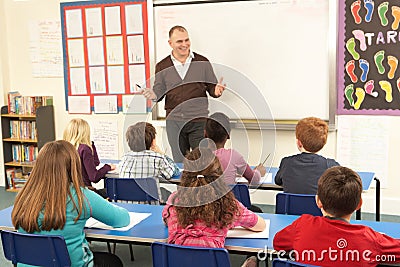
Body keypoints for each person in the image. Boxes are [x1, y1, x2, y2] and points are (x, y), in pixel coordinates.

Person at [12, 140, 130, 267]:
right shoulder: (81, 196)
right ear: (73, 166)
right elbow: (122, 220)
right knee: (113, 262)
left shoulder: (24, 195)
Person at [273, 166, 400, 267]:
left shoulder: (302, 225)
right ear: (359, 204)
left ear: (318, 201)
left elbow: (278, 243)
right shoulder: (370, 238)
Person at [162, 147, 266, 267]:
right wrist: (229, 222)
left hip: (177, 262)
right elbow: (260, 225)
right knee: (252, 261)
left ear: (186, 174)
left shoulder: (174, 200)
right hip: (211, 258)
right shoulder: (228, 204)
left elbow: (166, 219)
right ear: (218, 175)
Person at [142, 25, 226, 163]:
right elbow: (159, 92)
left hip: (198, 121)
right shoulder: (162, 66)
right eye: (179, 41)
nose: (184, 44)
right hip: (174, 123)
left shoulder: (202, 62)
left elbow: (212, 88)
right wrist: (153, 95)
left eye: (187, 40)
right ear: (170, 43)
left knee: (203, 162)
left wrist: (216, 91)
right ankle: (183, 186)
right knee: (179, 163)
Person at [274, 117, 339, 194]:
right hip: (318, 206)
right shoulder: (331, 166)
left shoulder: (287, 162)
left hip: (292, 206)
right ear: (323, 143)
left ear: (299, 143)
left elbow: (277, 181)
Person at [119, 122, 180, 203]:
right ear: (152, 141)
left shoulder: (124, 159)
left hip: (126, 204)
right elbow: (174, 172)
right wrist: (162, 153)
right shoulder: (157, 158)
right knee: (172, 195)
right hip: (149, 203)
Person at [205, 112, 266, 185]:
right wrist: (258, 172)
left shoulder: (197, 158)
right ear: (228, 135)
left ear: (205, 134)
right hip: (228, 196)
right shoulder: (233, 156)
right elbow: (254, 180)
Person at [63, 118, 115, 198]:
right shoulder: (84, 149)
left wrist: (91, 145)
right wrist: (107, 167)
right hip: (85, 192)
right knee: (113, 191)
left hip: (71, 193)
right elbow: (94, 177)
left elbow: (96, 162)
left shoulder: (64, 148)